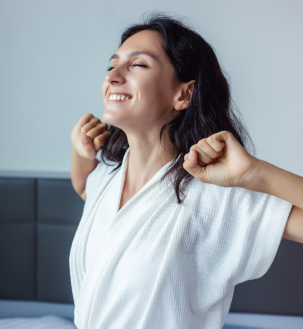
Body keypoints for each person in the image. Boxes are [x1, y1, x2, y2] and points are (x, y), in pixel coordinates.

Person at [68, 13, 303, 329]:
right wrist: (80, 151)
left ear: (184, 94)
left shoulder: (213, 195)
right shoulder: (107, 180)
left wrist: (253, 173)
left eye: (137, 65)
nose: (113, 76)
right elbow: (84, 186)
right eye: (112, 65)